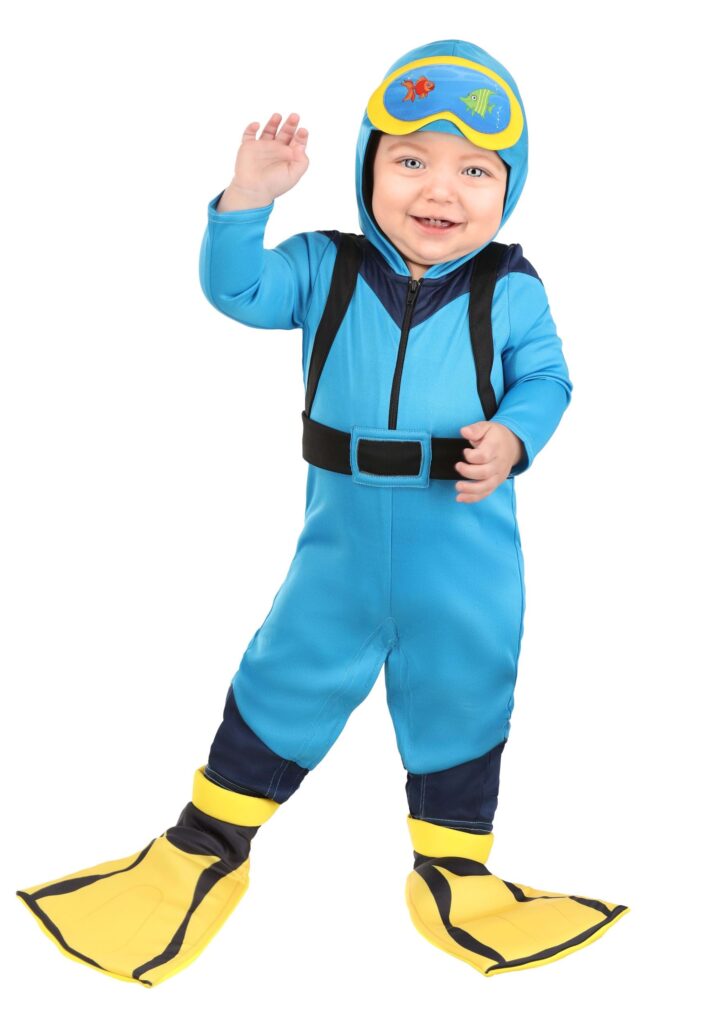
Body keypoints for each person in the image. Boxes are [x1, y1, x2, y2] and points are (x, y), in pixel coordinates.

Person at [16, 38, 629, 987]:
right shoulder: (322, 266)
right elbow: (236, 290)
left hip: (463, 552)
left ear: (509, 188)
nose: (439, 189)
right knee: (286, 668)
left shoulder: (510, 287)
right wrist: (245, 201)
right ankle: (207, 840)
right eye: (411, 161)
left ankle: (456, 867)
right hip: (338, 547)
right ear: (366, 170)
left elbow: (547, 379)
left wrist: (513, 437)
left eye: (474, 170)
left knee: (465, 682)